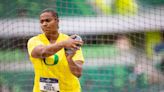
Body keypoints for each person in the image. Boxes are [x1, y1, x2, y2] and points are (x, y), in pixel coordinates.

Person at [27, 8, 84, 92]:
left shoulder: (70, 41)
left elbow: (78, 73)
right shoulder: (34, 41)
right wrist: (63, 44)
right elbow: (42, 52)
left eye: (47, 20)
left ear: (57, 21)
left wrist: (69, 59)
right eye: (41, 22)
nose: (44, 24)